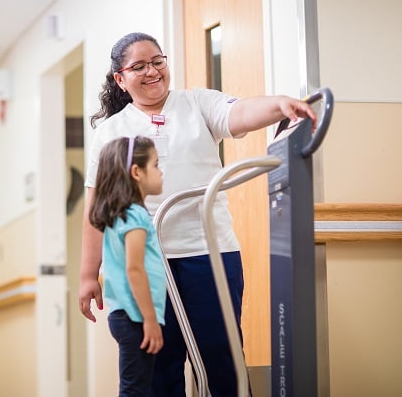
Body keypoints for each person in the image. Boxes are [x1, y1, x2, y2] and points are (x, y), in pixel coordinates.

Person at [79, 32, 317, 397]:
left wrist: (280, 105)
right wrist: (87, 275)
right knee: (159, 366)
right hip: (145, 263)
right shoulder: (111, 132)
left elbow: (239, 113)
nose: (152, 71)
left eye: (157, 61)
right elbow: (98, 208)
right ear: (120, 79)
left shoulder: (196, 103)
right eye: (138, 66)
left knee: (222, 360)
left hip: (210, 253)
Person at [89, 135, 167, 396]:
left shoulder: (122, 214)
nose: (160, 171)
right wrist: (149, 319)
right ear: (137, 172)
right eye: (156, 165)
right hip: (134, 317)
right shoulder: (134, 215)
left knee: (138, 387)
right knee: (135, 390)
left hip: (126, 316)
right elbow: (134, 269)